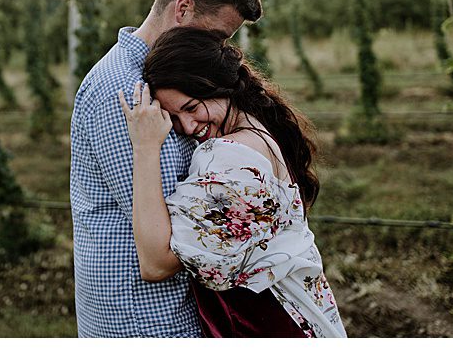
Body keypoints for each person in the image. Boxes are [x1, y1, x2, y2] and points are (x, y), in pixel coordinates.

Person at [68, 0, 261, 337]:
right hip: (146, 316)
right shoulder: (124, 93)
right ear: (183, 8)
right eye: (216, 36)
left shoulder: (162, 79)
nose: (217, 51)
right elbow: (169, 238)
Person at [119, 27, 346, 337]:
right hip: (300, 313)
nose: (187, 127)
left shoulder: (228, 156)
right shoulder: (260, 125)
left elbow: (156, 264)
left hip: (275, 321)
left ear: (220, 87)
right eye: (173, 119)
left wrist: (145, 147)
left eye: (191, 108)